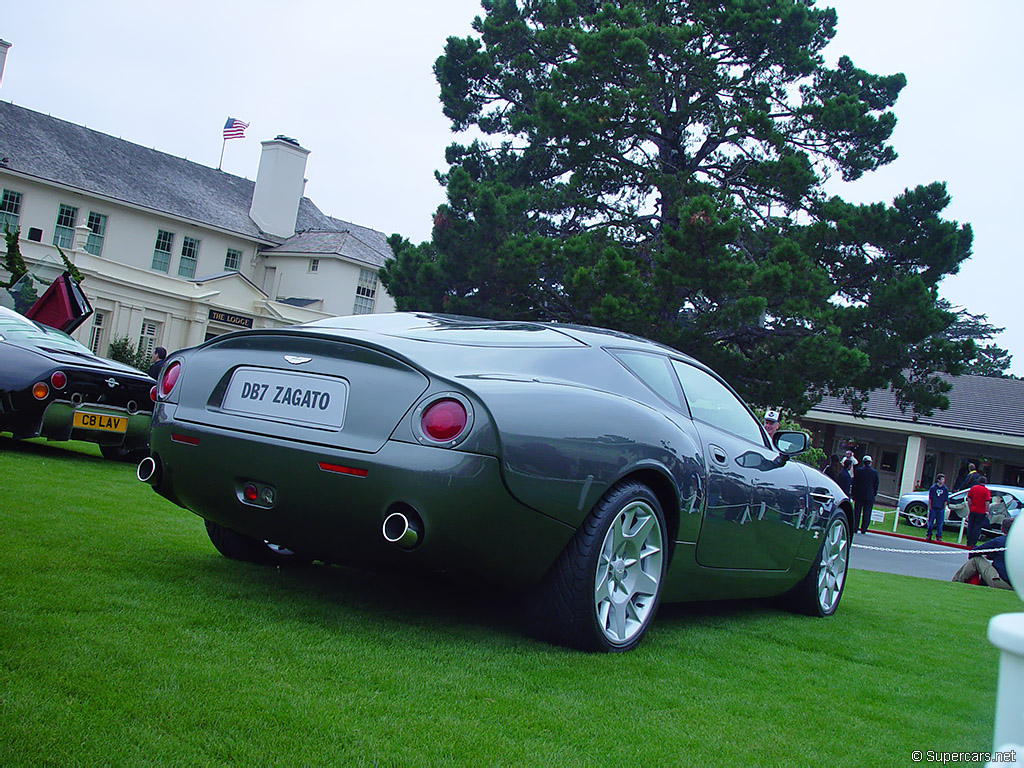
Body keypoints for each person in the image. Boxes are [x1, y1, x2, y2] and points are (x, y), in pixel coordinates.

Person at [952, 517, 1014, 589]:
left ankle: (956, 581)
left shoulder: (999, 541)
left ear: (1002, 529)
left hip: (1002, 583)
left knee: (976, 560)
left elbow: (975, 552)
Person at [851, 454, 880, 534]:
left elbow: (855, 483)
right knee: (867, 513)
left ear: (863, 462)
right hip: (869, 495)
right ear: (870, 463)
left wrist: (853, 493)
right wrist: (874, 493)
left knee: (857, 512)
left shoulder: (858, 471)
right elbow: (876, 485)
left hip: (859, 494)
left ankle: (855, 527)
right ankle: (864, 529)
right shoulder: (874, 472)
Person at [964, 475, 992, 548]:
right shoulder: (986, 491)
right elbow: (987, 502)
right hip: (981, 511)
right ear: (985, 482)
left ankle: (968, 541)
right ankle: (973, 543)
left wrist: (970, 507)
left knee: (970, 526)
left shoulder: (973, 488)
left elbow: (969, 499)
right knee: (977, 527)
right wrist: (987, 511)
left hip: (973, 510)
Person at [925, 473, 949, 542]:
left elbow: (945, 499)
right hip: (933, 508)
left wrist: (944, 507)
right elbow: (930, 498)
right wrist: (930, 507)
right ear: (938, 480)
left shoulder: (945, 489)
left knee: (940, 523)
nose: (943, 481)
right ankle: (929, 534)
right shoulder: (933, 488)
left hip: (940, 508)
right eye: (942, 479)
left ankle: (939, 536)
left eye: (944, 479)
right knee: (930, 523)